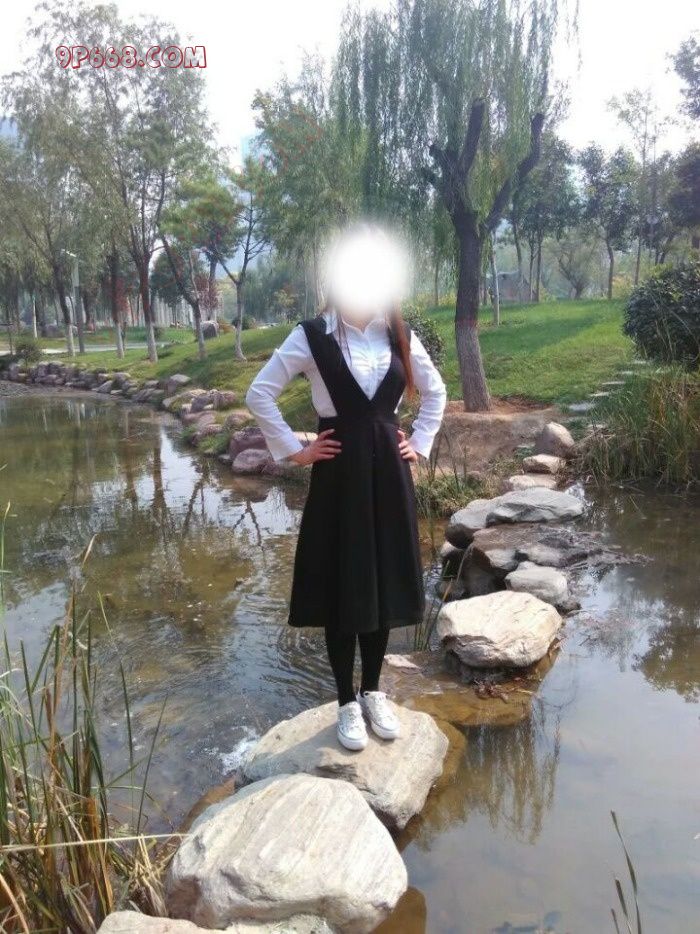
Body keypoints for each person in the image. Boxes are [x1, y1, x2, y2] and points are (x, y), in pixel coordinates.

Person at [245, 227, 446, 751]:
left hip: (388, 477)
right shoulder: (313, 335)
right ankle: (345, 702)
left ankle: (373, 691)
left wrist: (419, 443)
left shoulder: (398, 333)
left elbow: (437, 391)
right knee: (342, 585)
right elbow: (259, 393)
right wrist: (295, 450)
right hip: (338, 477)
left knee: (380, 580)